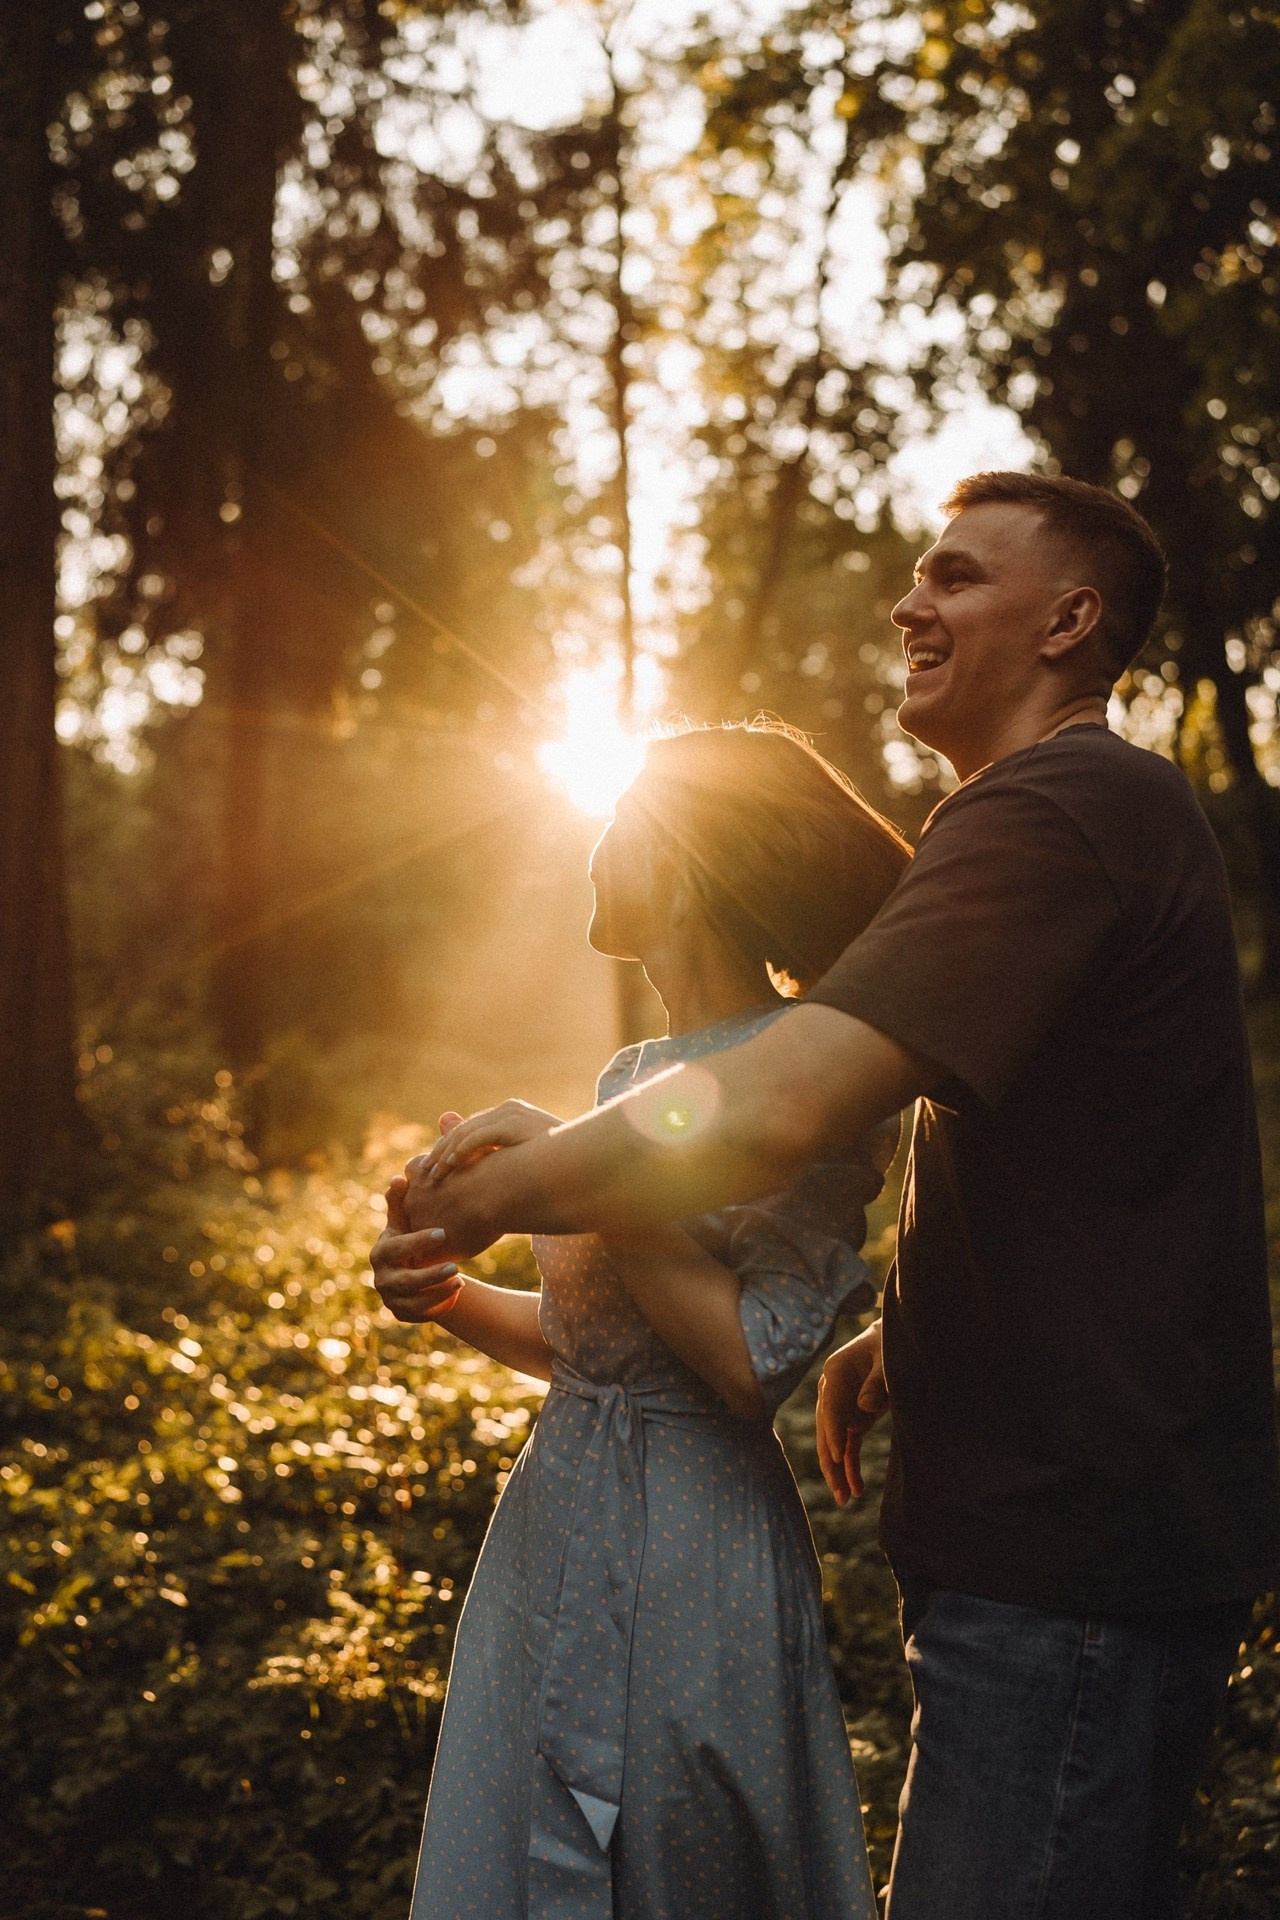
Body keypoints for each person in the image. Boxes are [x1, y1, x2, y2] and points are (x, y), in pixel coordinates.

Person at [374, 470, 1280, 1919]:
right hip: (1046, 1553)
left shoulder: (1070, 803)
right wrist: (901, 1335)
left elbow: (785, 1100)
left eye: (960, 576)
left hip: (1078, 1565)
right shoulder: (1038, 820)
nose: (913, 604)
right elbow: (1072, 1152)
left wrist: (525, 1177)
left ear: (1071, 618)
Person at [383, 722, 911, 1920]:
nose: (590, 846)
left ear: (672, 864)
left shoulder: (798, 1064)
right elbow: (596, 1355)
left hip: (693, 1548)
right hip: (557, 1517)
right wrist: (450, 1296)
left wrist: (570, 1171)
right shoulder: (632, 1073)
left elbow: (738, 1363)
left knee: (675, 1864)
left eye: (615, 820)